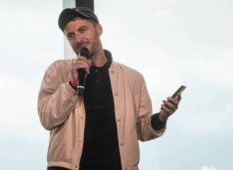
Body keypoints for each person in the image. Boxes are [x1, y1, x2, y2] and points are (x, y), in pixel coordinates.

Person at [37, 7, 181, 170]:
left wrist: (161, 117)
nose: (77, 39)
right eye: (71, 35)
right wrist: (71, 85)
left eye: (82, 30)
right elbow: (46, 118)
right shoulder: (58, 70)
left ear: (99, 29)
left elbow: (143, 130)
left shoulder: (133, 78)